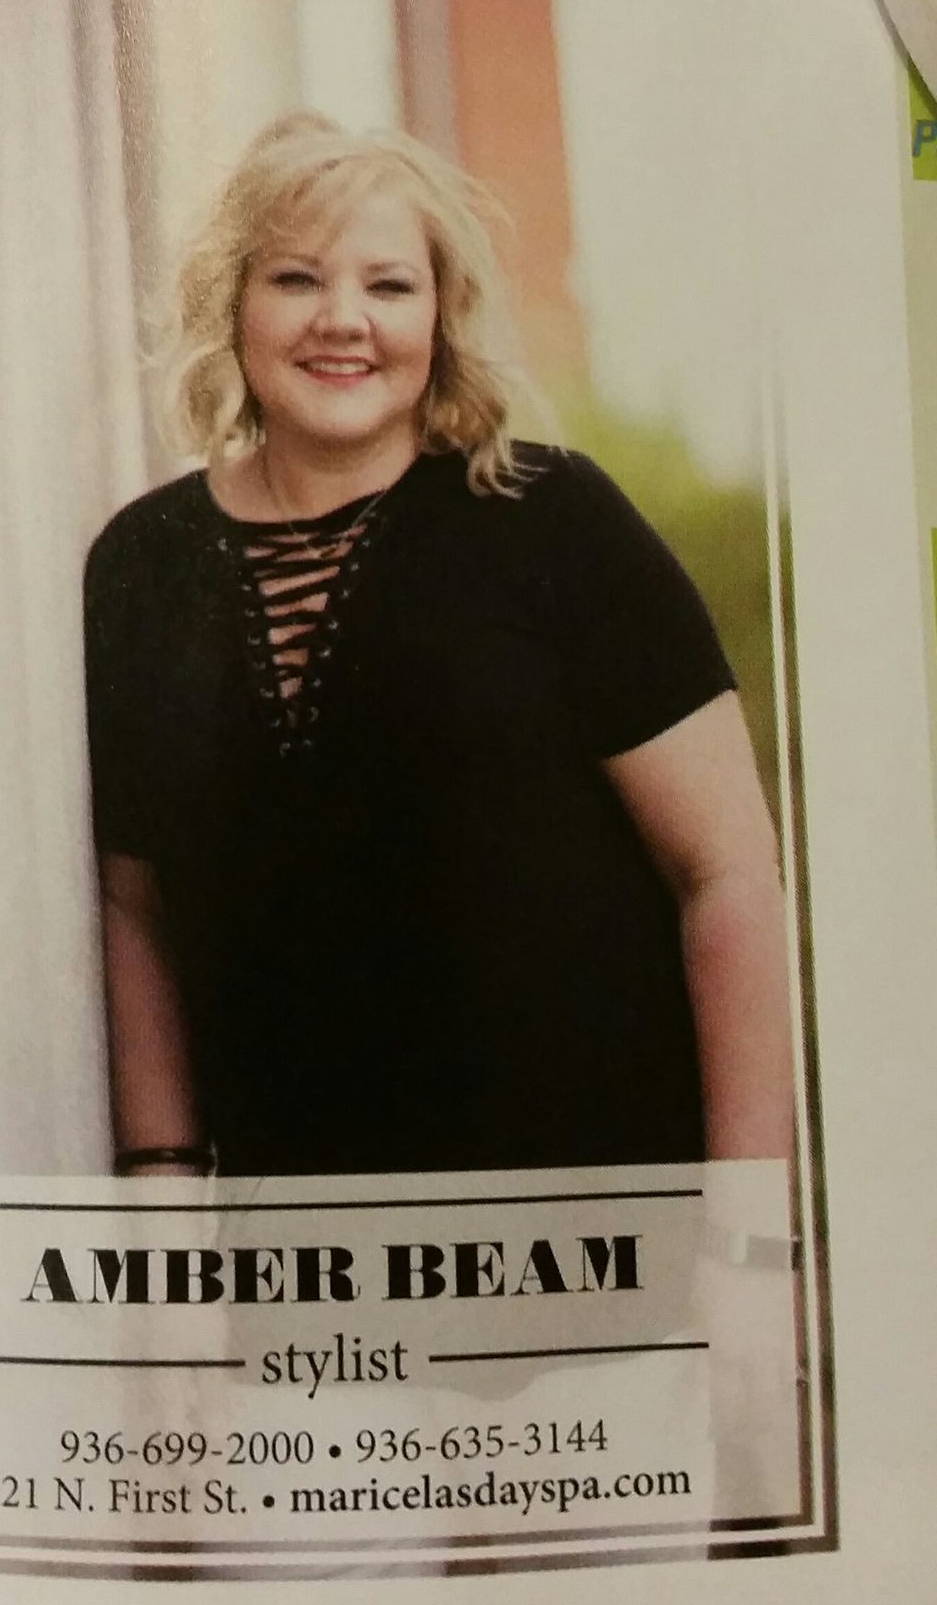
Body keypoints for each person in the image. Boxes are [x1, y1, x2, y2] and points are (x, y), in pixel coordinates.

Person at [84, 113, 794, 1180]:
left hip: (601, 1252)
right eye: (294, 279)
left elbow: (728, 875)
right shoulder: (142, 562)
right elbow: (132, 902)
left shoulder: (550, 517)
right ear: (231, 302)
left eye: (388, 285)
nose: (342, 321)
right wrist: (164, 1173)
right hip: (303, 1275)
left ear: (441, 315)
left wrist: (746, 1236)